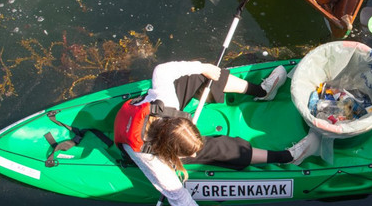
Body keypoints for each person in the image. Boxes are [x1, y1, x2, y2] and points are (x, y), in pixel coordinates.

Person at [113, 61, 320, 206]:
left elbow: (161, 71)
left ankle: (262, 92)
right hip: (152, 145)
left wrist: (202, 68)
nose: (193, 155)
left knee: (198, 77)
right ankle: (289, 157)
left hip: (157, 123)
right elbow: (178, 197)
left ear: (178, 118)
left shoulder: (165, 100)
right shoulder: (152, 158)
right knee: (220, 149)